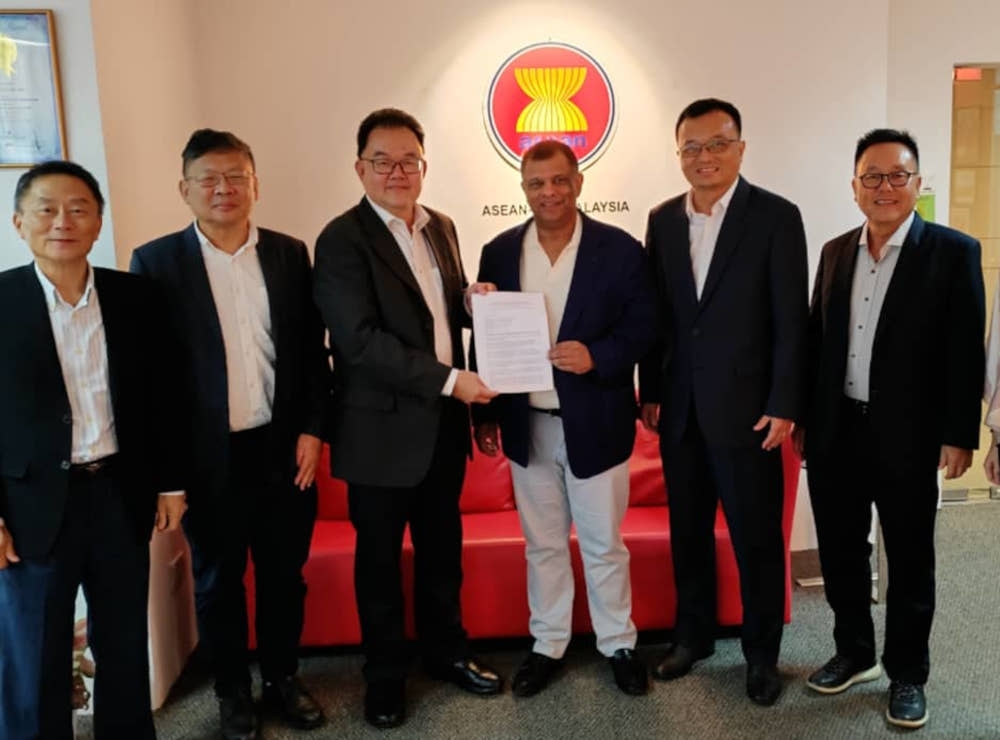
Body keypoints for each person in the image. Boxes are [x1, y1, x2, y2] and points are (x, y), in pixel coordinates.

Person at [131, 129, 330, 740]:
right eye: (209, 179)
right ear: (185, 189)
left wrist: (313, 430)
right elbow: (152, 380)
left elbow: (311, 354)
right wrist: (168, 477)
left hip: (282, 448)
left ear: (255, 185)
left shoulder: (289, 254)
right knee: (218, 581)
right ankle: (231, 690)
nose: (224, 189)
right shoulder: (156, 263)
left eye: (236, 177)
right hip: (206, 457)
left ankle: (282, 678)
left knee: (283, 575)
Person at [312, 108, 502, 729]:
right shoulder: (341, 240)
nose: (397, 172)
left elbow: (437, 313)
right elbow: (360, 341)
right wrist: (451, 380)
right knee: (380, 564)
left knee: (443, 552)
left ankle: (448, 653)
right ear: (360, 167)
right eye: (383, 161)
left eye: (408, 161)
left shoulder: (440, 226)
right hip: (379, 433)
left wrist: (471, 301)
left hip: (441, 428)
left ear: (424, 165)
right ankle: (386, 677)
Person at [796, 128, 984, 730]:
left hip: (909, 434)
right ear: (854, 187)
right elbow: (815, 342)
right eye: (872, 177)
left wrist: (959, 434)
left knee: (909, 557)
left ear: (917, 183)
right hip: (837, 430)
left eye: (897, 175)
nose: (885, 187)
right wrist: (805, 419)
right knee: (841, 550)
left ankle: (908, 673)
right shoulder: (835, 252)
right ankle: (855, 653)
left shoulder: (953, 252)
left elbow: (965, 352)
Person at [0, 160, 184, 739]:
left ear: (98, 222)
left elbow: (163, 396)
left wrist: (170, 483)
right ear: (19, 223)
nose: (63, 221)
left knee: (124, 644)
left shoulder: (135, 297)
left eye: (78, 209)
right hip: (30, 506)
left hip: (117, 494)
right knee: (34, 652)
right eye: (47, 210)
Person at [638, 98, 808, 706]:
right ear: (678, 153)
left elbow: (791, 319)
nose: (704, 157)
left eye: (717, 144)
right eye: (692, 147)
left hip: (750, 412)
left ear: (740, 148)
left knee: (755, 539)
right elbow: (656, 316)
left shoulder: (775, 217)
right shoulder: (662, 219)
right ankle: (694, 638)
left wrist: (785, 402)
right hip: (680, 410)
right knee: (688, 533)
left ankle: (761, 656)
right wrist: (651, 392)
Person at [471, 140, 656, 697]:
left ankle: (618, 642)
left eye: (558, 180)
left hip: (596, 420)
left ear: (578, 182)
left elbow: (646, 327)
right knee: (543, 545)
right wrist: (485, 414)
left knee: (603, 544)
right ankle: (547, 643)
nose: (548, 192)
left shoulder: (619, 249)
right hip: (526, 424)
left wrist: (598, 355)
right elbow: (487, 334)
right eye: (536, 183)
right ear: (523, 189)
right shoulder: (500, 250)